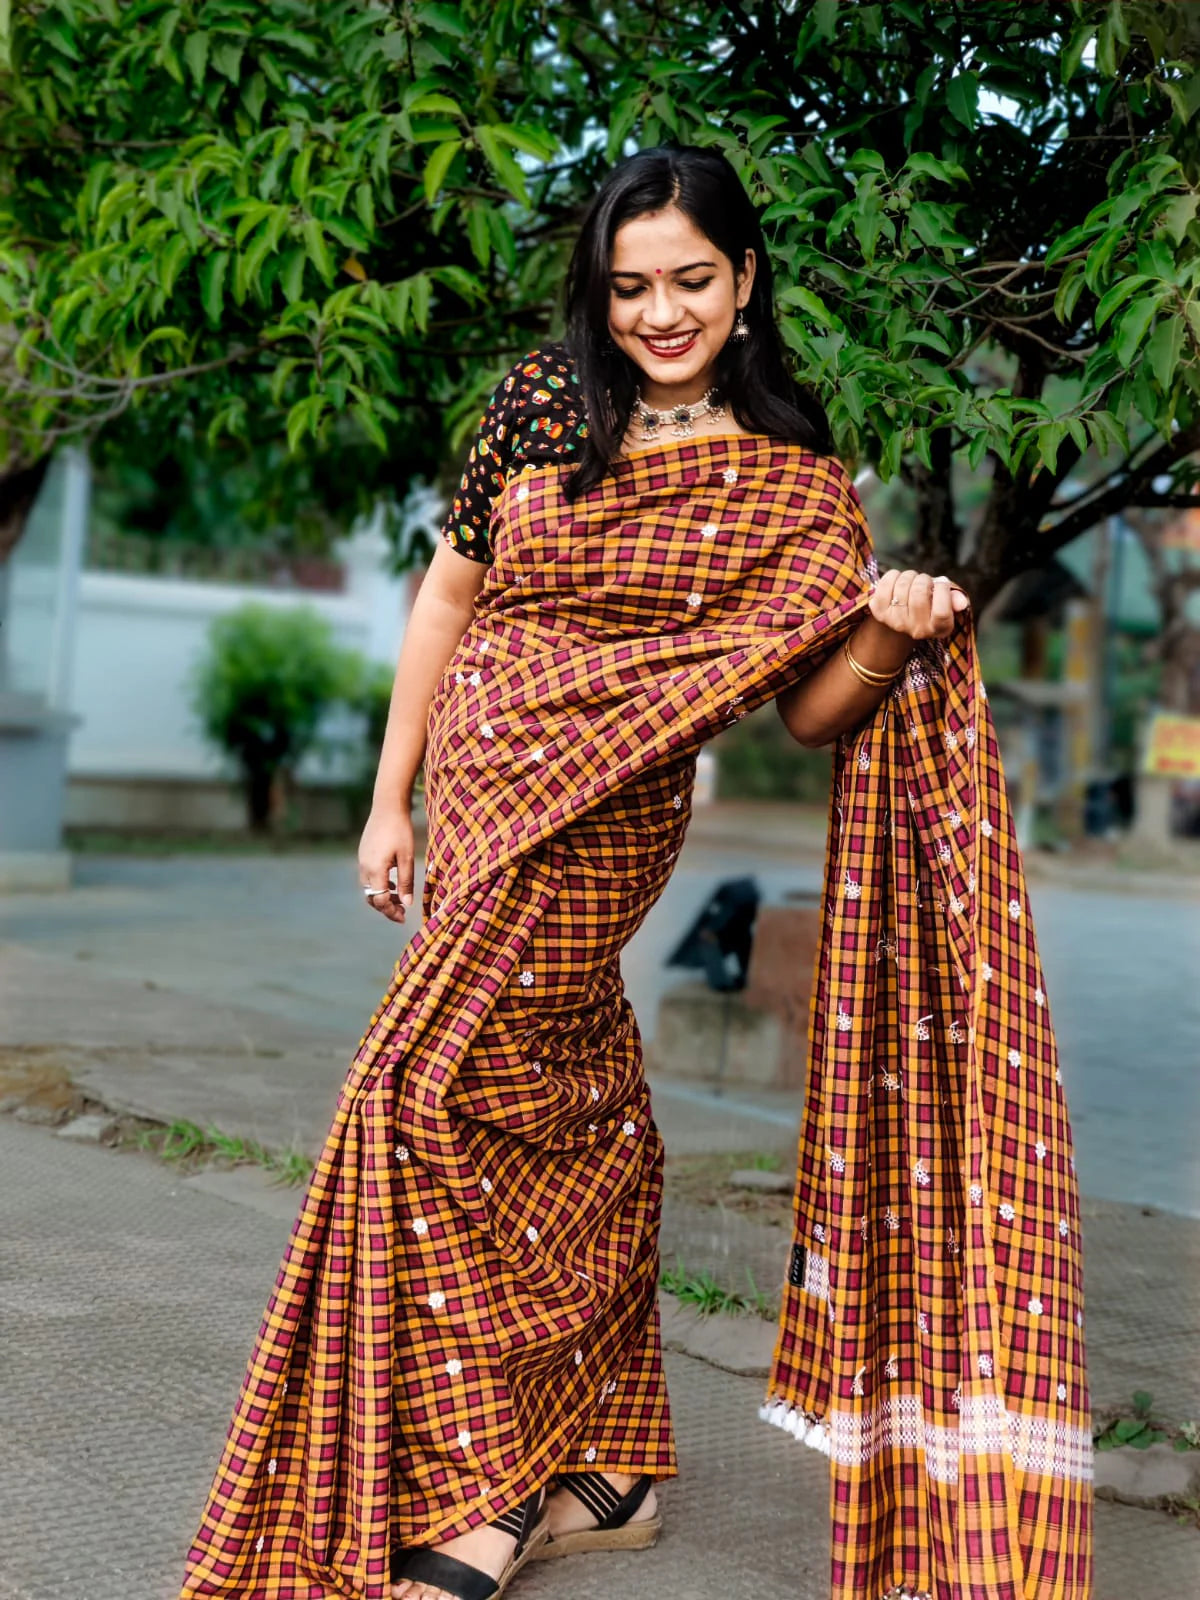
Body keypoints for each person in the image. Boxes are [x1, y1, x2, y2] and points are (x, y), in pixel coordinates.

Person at [181, 145, 1090, 1600]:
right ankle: (611, 1466)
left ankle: (490, 1491)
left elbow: (808, 710)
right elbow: (451, 593)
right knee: (568, 1104)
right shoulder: (544, 406)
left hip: (604, 815)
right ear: (597, 296)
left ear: (745, 280)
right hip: (479, 789)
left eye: (689, 282)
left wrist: (893, 624)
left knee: (420, 1091)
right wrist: (389, 795)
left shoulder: (794, 469)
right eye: (629, 289)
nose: (659, 314)